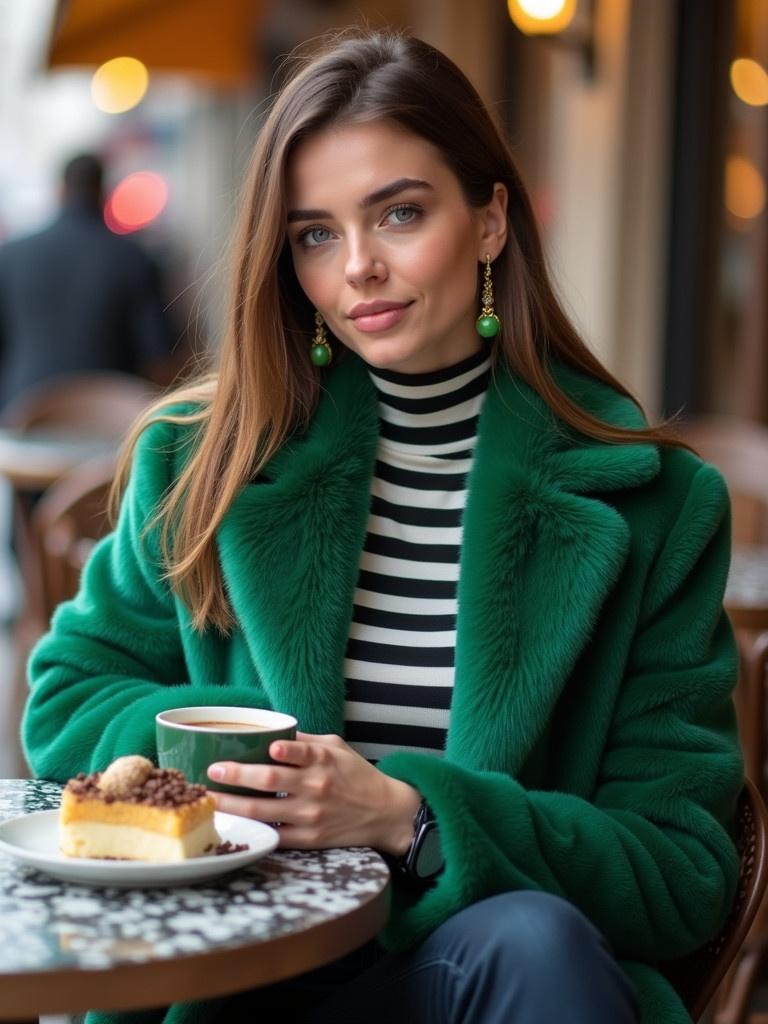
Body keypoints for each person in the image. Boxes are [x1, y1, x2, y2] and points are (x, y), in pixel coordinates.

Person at [22, 31, 742, 1024]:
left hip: (492, 976)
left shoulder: (656, 501)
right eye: (316, 232)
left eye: (399, 213)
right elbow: (65, 703)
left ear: (491, 221)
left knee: (533, 940)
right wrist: (238, 762)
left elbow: (681, 872)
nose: (359, 267)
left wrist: (414, 815)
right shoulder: (206, 459)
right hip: (240, 974)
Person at [0, 152, 178, 410]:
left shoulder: (11, 254)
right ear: (102, 192)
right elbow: (159, 352)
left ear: (60, 190)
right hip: (110, 414)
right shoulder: (132, 257)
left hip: (23, 411)